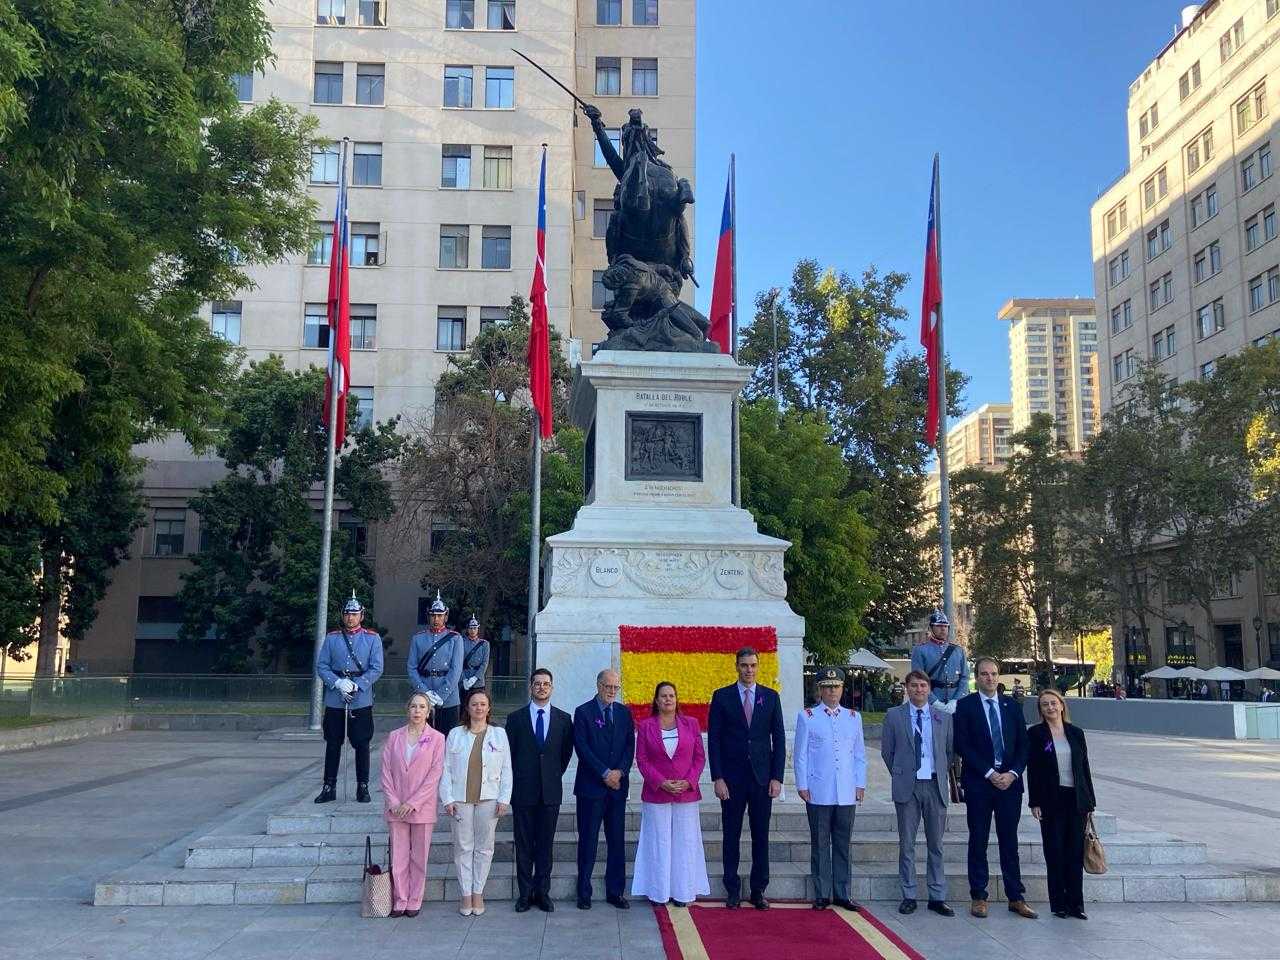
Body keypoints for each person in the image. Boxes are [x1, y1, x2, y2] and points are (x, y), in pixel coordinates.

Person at [954, 657, 1037, 920]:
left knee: (1009, 841)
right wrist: (990, 773)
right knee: (978, 839)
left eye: (993, 674)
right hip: (980, 782)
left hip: (1009, 785)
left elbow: (1024, 744)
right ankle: (979, 895)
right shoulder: (965, 706)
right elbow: (962, 745)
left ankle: (1016, 896)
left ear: (998, 676)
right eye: (984, 674)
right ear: (976, 677)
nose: (989, 678)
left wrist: (1012, 773)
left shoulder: (1011, 705)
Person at [707, 646, 786, 909]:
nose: (749, 670)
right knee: (731, 835)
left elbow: (780, 740)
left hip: (762, 779)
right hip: (731, 779)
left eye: (753, 665)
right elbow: (714, 741)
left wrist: (777, 777)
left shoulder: (771, 697)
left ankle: (758, 890)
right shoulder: (722, 697)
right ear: (736, 666)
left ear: (758, 666)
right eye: (744, 665)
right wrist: (717, 777)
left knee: (760, 836)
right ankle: (732, 888)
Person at [881, 669, 954, 917]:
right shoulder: (894, 716)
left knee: (936, 844)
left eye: (923, 686)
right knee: (907, 844)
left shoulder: (942, 717)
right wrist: (902, 774)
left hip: (935, 786)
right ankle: (909, 894)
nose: (919, 690)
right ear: (906, 688)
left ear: (929, 688)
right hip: (908, 788)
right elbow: (887, 752)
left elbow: (949, 752)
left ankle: (937, 895)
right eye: (914, 686)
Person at [794, 667, 866, 911]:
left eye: (836, 687)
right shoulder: (808, 717)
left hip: (845, 790)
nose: (832, 691)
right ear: (820, 690)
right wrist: (802, 784)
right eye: (827, 687)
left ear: (842, 689)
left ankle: (842, 893)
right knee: (820, 842)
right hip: (819, 789)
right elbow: (801, 755)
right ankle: (822, 893)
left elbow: (859, 755)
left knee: (843, 843)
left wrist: (860, 784)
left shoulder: (853, 718)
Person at [632, 682, 709, 907]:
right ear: (656, 700)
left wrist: (688, 782)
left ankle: (682, 892)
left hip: (686, 794)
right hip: (657, 794)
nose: (668, 699)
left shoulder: (691, 724)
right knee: (658, 842)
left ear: (677, 699)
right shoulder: (646, 726)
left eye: (672, 696)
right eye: (663, 696)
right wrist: (661, 782)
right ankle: (658, 892)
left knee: (684, 843)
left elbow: (699, 757)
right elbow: (642, 760)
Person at [505, 667, 574, 912]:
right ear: (530, 687)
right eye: (537, 683)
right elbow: (509, 756)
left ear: (552, 688)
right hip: (523, 792)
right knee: (524, 845)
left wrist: (552, 776)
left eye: (546, 684)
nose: (541, 687)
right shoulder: (515, 719)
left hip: (550, 792)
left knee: (545, 845)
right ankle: (525, 894)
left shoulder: (564, 720)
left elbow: (565, 754)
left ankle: (542, 892)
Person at [440, 687, 512, 917]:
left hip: (489, 800)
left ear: (489, 708)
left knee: (484, 848)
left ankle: (478, 892)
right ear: (467, 708)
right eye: (474, 704)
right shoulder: (455, 734)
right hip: (461, 800)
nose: (479, 708)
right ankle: (465, 894)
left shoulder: (499, 734)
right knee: (463, 847)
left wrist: (504, 798)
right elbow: (445, 768)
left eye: (483, 704)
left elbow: (507, 768)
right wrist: (447, 798)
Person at [1027, 688, 1096, 920]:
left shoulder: (1076, 733)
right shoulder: (1036, 734)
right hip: (1050, 800)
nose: (1050, 708)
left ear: (1062, 705)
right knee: (1054, 852)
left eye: (1053, 703)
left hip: (1075, 800)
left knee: (1074, 853)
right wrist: (1034, 801)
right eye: (1045, 705)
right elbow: (1034, 770)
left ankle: (1077, 904)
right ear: (1041, 710)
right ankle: (1059, 904)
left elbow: (1084, 768)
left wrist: (1090, 802)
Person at [573, 669, 636, 910]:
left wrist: (619, 772)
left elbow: (629, 746)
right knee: (588, 841)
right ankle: (584, 892)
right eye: (608, 686)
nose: (612, 691)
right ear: (598, 685)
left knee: (616, 842)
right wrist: (604, 773)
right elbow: (582, 747)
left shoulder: (623, 713)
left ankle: (615, 891)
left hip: (617, 788)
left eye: (615, 687)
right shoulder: (583, 712)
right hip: (591, 788)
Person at [379, 692, 446, 917]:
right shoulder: (394, 736)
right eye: (414, 706)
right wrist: (395, 801)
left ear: (429, 712)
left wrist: (413, 802)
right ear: (407, 710)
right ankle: (400, 899)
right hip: (396, 807)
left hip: (422, 808)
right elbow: (386, 772)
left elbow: (435, 774)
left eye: (422, 707)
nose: (417, 711)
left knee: (419, 857)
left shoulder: (437, 738)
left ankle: (415, 899)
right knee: (398, 857)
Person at [314, 594, 384, 804]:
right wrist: (337, 683)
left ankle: (362, 786)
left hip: (360, 697)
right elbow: (322, 666)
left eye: (354, 614)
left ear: (361, 616)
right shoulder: (332, 638)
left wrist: (358, 684)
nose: (350, 618)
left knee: (362, 743)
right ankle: (329, 786)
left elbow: (377, 667)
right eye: (347, 614)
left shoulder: (372, 638)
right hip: (336, 697)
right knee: (333, 743)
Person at [407, 591, 464, 734]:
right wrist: (424, 691)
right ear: (429, 616)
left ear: (445, 616)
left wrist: (441, 695)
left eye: (439, 615)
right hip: (423, 697)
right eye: (433, 615)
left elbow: (456, 670)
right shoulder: (418, 638)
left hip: (448, 698)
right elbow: (411, 668)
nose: (436, 619)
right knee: (422, 742)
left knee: (448, 742)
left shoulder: (455, 638)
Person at [910, 610, 969, 714]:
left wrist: (955, 700)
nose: (943, 629)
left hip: (956, 703)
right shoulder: (920, 650)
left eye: (945, 626)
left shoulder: (958, 651)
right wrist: (935, 702)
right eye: (939, 626)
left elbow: (964, 678)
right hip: (931, 703)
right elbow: (918, 679)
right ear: (931, 628)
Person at [459, 616, 489, 706]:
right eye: (471, 628)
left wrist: (475, 678)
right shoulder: (461, 642)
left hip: (478, 682)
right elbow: (458, 663)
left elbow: (484, 663)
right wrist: (463, 679)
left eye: (475, 628)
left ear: (478, 629)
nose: (472, 630)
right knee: (464, 707)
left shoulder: (484, 644)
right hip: (465, 679)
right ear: (467, 629)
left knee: (478, 706)